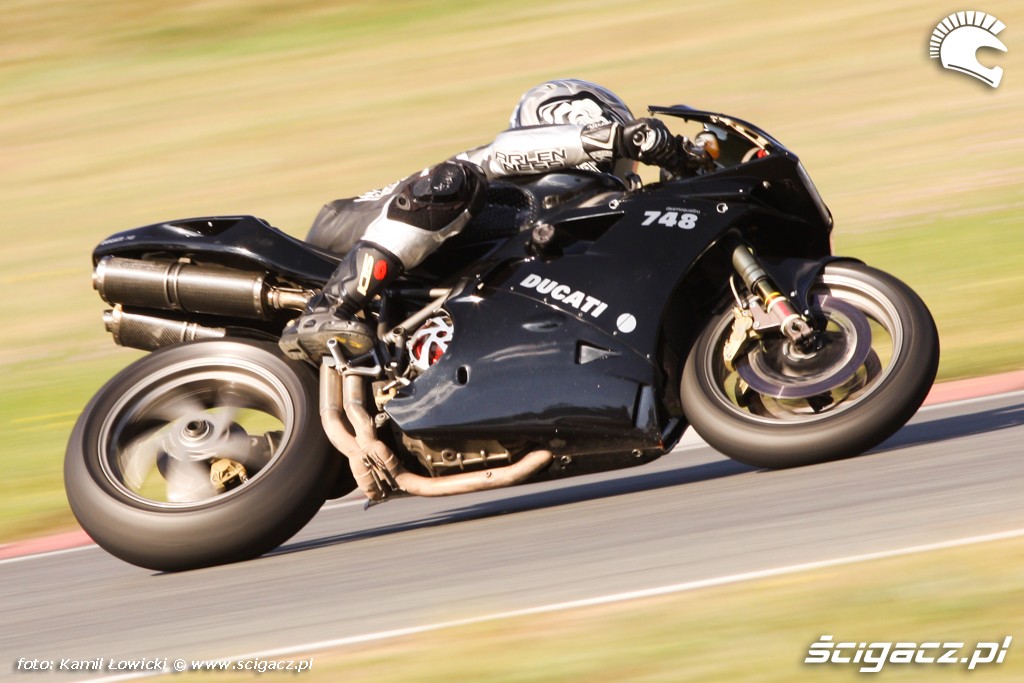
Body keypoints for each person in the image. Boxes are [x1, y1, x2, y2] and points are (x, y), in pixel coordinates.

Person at [280, 78, 686, 363]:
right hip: (349, 225)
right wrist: (616, 138)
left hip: (423, 260)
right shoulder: (504, 160)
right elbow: (504, 153)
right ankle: (330, 307)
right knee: (454, 183)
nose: (626, 165)